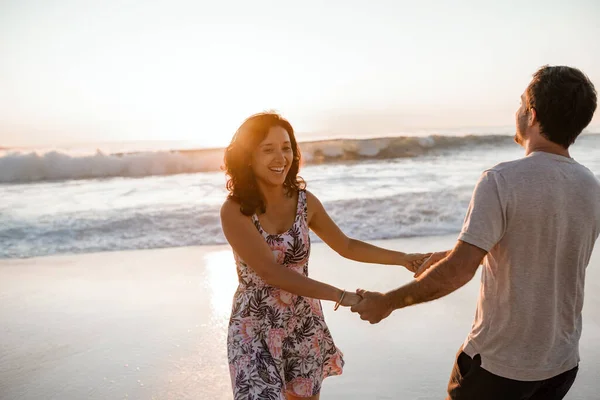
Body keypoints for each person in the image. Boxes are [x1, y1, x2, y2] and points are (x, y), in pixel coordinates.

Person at [351, 65, 599, 400]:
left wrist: (388, 302)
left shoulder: (501, 180)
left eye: (520, 103)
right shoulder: (590, 186)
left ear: (532, 113)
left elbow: (459, 271)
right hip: (560, 365)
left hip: (498, 366)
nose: (516, 112)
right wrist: (456, 255)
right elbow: (538, 253)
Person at [220, 112, 430, 400]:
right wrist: (341, 296)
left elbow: (346, 245)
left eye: (286, 147)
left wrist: (404, 258)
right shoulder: (235, 210)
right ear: (247, 156)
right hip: (254, 328)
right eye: (267, 149)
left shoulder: (305, 202)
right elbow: (272, 273)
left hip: (302, 322)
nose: (280, 157)